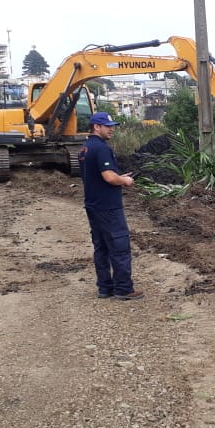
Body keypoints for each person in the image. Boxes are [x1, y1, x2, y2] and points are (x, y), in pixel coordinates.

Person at [78, 112, 144, 301]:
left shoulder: (85, 149)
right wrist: (124, 180)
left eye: (112, 125)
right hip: (108, 207)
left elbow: (97, 175)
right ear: (96, 127)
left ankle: (105, 288)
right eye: (107, 126)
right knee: (119, 246)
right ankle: (124, 288)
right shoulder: (101, 149)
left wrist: (119, 176)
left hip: (93, 205)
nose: (112, 129)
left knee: (101, 248)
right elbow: (109, 177)